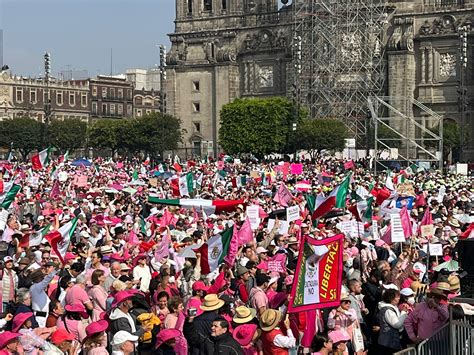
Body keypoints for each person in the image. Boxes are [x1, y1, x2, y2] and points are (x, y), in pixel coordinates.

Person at [377, 288, 408, 354]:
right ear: (391, 298)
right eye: (397, 297)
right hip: (388, 343)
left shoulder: (393, 308)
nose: (399, 298)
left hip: (391, 342)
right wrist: (403, 312)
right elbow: (397, 324)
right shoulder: (388, 310)